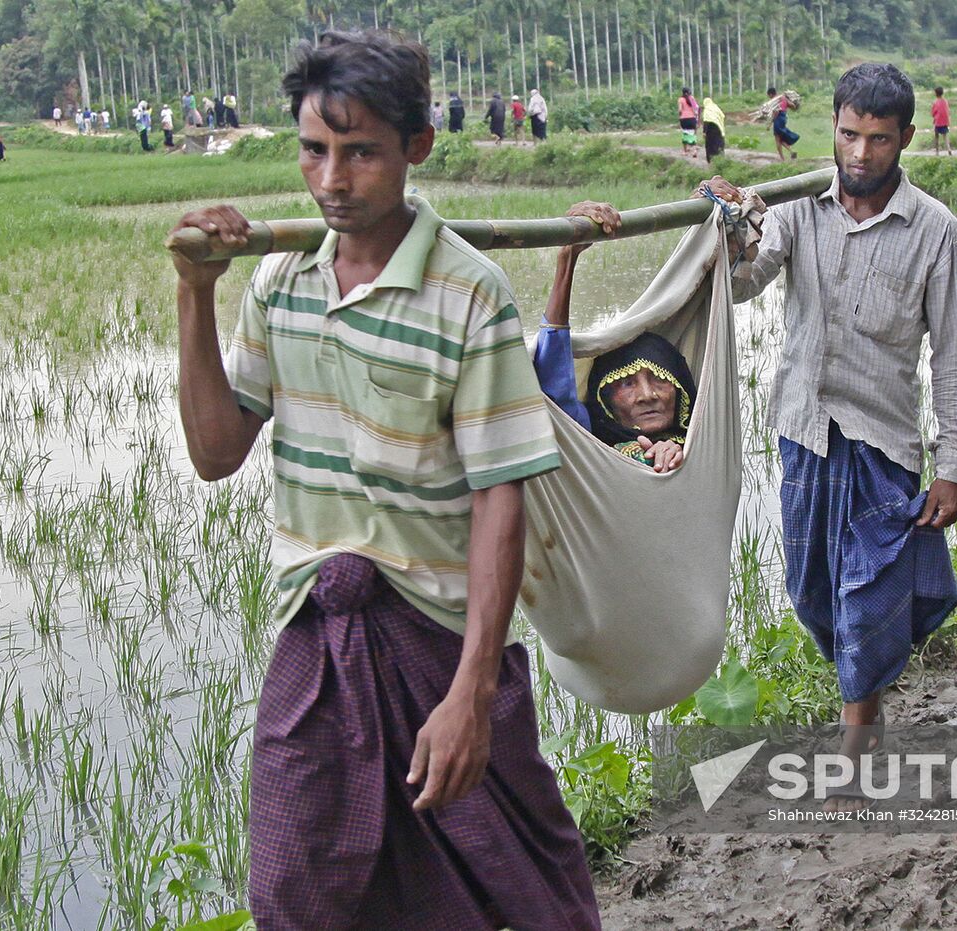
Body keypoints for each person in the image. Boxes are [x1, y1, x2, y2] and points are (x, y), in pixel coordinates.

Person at [167, 29, 600, 931]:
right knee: (297, 890)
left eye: (360, 152)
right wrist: (193, 293)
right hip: (317, 634)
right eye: (314, 151)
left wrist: (472, 693)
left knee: (517, 881)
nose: (330, 179)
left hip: (439, 637)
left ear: (416, 147)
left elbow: (499, 495)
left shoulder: (469, 293)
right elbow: (216, 455)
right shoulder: (279, 280)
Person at [700, 62, 957, 811]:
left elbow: (953, 358)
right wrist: (730, 232)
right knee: (814, 596)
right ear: (834, 128)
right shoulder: (796, 208)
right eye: (849, 135)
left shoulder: (935, 232)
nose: (859, 154)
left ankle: (854, 753)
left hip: (882, 444)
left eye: (878, 140)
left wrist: (950, 465)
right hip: (802, 434)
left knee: (863, 600)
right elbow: (746, 282)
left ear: (906, 139)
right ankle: (868, 701)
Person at [534, 201, 690, 474]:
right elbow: (554, 382)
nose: (647, 395)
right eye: (627, 383)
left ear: (682, 390)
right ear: (604, 400)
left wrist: (675, 449)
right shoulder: (588, 439)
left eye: (660, 379)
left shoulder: (705, 437)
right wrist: (567, 258)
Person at [768, 86, 799, 160]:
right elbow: (793, 106)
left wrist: (770, 124)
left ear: (771, 94)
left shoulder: (775, 100)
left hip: (778, 119)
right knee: (780, 139)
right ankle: (791, 152)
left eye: (769, 96)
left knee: (777, 139)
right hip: (783, 118)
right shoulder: (783, 98)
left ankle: (783, 159)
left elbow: (776, 112)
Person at [701, 96, 725, 163]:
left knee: (710, 145)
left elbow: (706, 121)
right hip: (718, 128)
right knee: (719, 143)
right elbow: (722, 116)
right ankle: (721, 158)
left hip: (710, 130)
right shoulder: (716, 107)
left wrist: (704, 132)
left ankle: (710, 159)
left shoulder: (707, 110)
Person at [677, 86, 699, 157]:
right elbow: (696, 108)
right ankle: (694, 150)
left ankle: (685, 151)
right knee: (693, 134)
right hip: (692, 118)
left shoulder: (680, 99)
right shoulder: (692, 98)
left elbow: (680, 110)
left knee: (685, 134)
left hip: (684, 119)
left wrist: (680, 116)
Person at [930, 85, 951, 156]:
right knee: (945, 136)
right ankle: (949, 149)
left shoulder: (935, 102)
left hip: (938, 122)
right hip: (945, 122)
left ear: (936, 93)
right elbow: (948, 111)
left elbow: (933, 113)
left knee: (936, 137)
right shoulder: (945, 102)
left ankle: (937, 151)